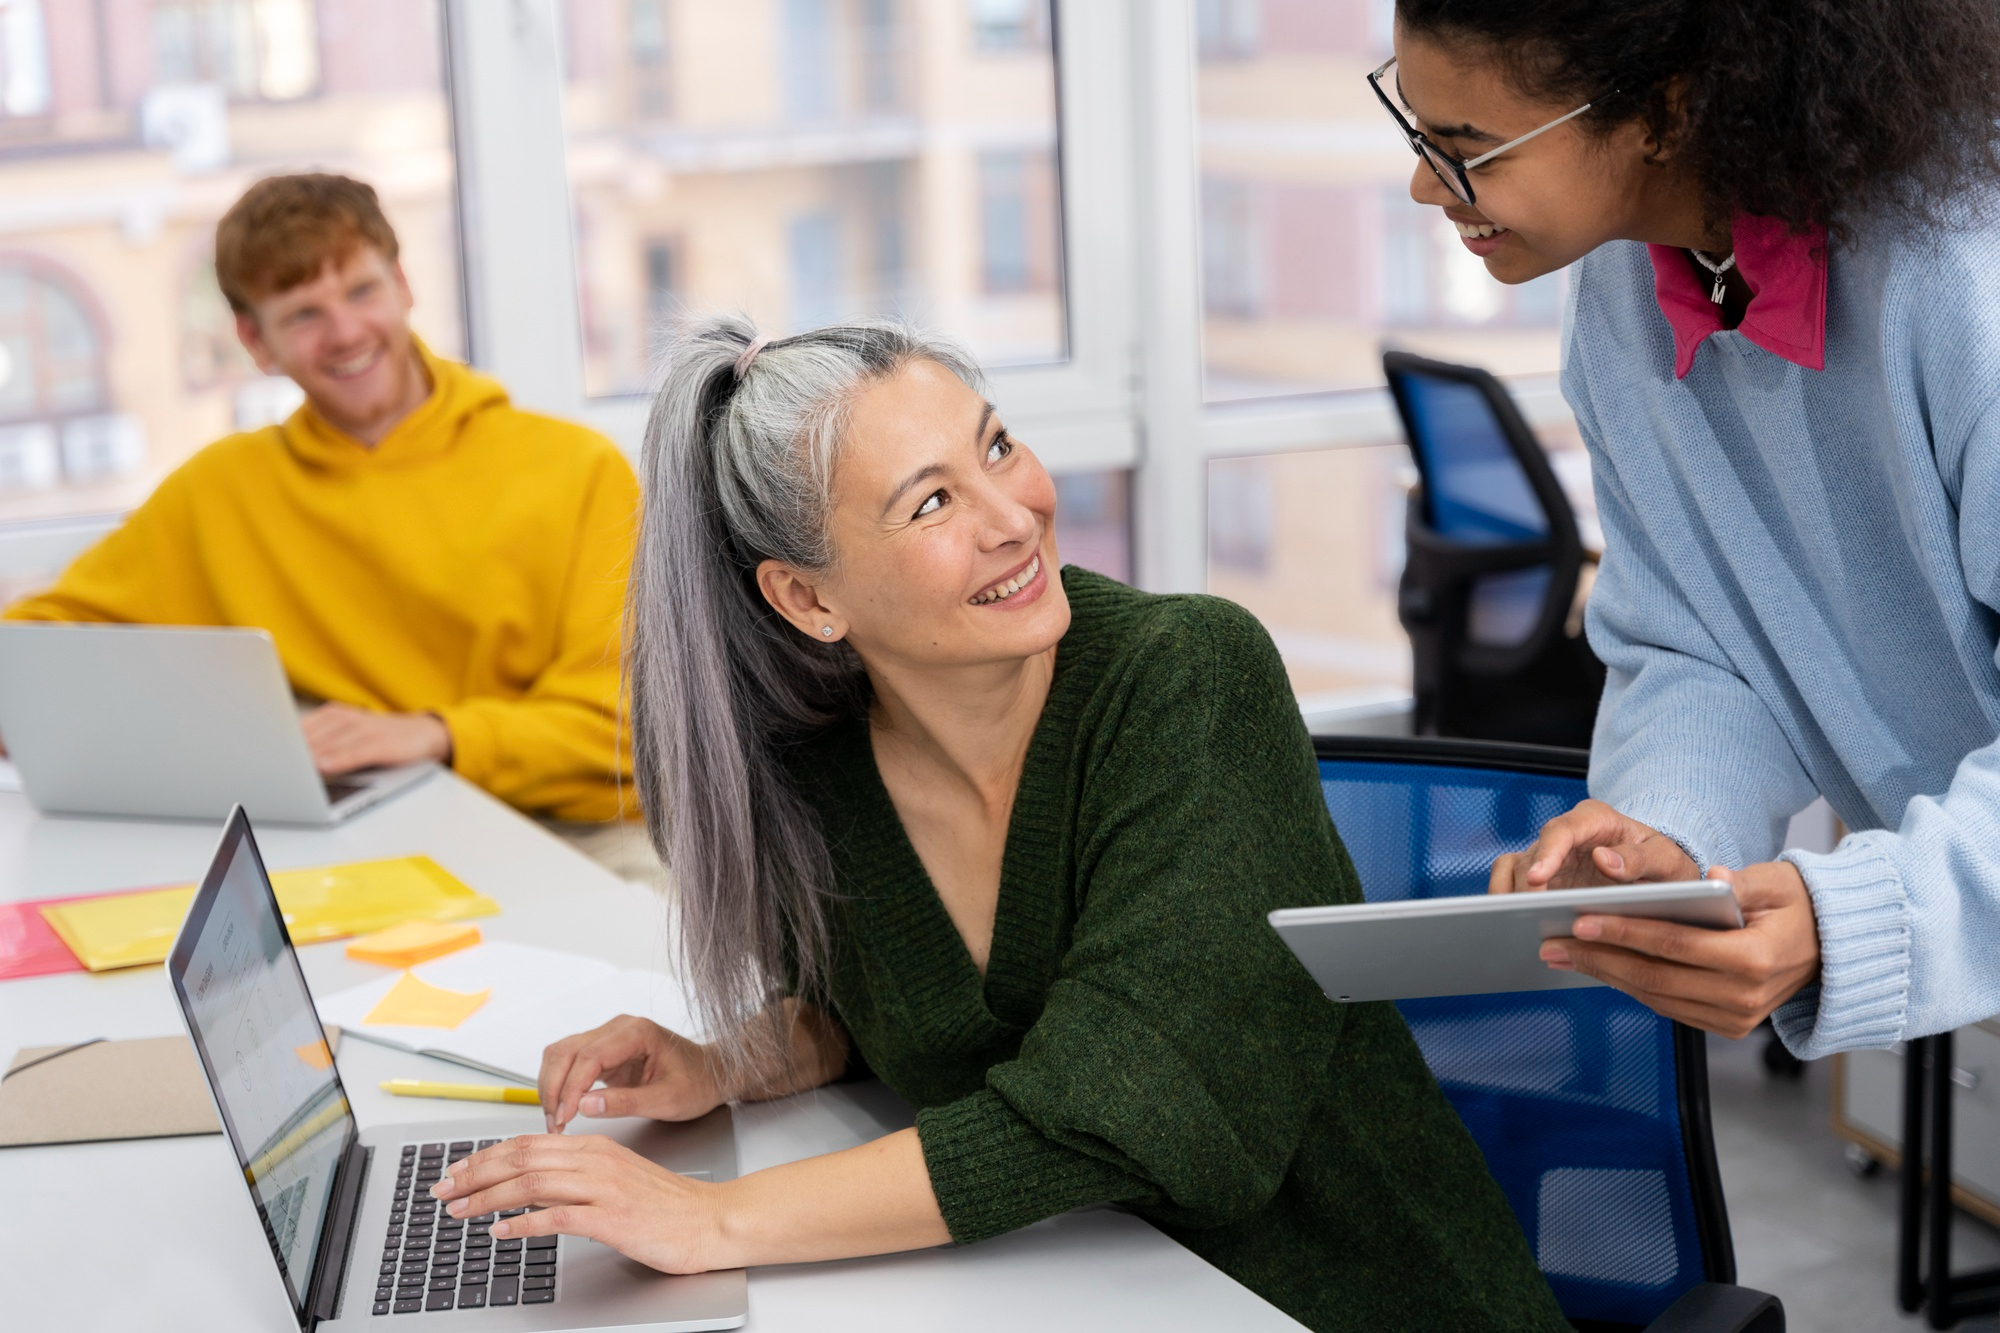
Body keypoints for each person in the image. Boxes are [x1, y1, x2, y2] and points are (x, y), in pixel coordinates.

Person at [427, 318, 1568, 1332]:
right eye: (930, 501)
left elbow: (1120, 1111)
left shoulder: (1186, 679)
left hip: (1332, 1294)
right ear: (807, 599)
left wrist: (713, 1219)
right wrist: (725, 1062)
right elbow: (879, 1019)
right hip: (1062, 1285)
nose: (1012, 515)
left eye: (995, 446)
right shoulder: (822, 773)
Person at [1373, 0, 2000, 1055]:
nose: (1425, 185)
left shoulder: (1962, 276)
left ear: (1663, 110)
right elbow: (1696, 643)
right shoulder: (1620, 295)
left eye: (1466, 150)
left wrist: (1860, 919)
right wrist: (1656, 836)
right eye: (1417, 135)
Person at [4, 174, 638, 822]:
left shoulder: (579, 470)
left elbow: (634, 722)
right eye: (303, 314)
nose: (344, 333)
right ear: (256, 343)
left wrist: (438, 733)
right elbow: (28, 655)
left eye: (362, 291)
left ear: (403, 285)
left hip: (574, 828)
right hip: (365, 838)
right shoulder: (221, 491)